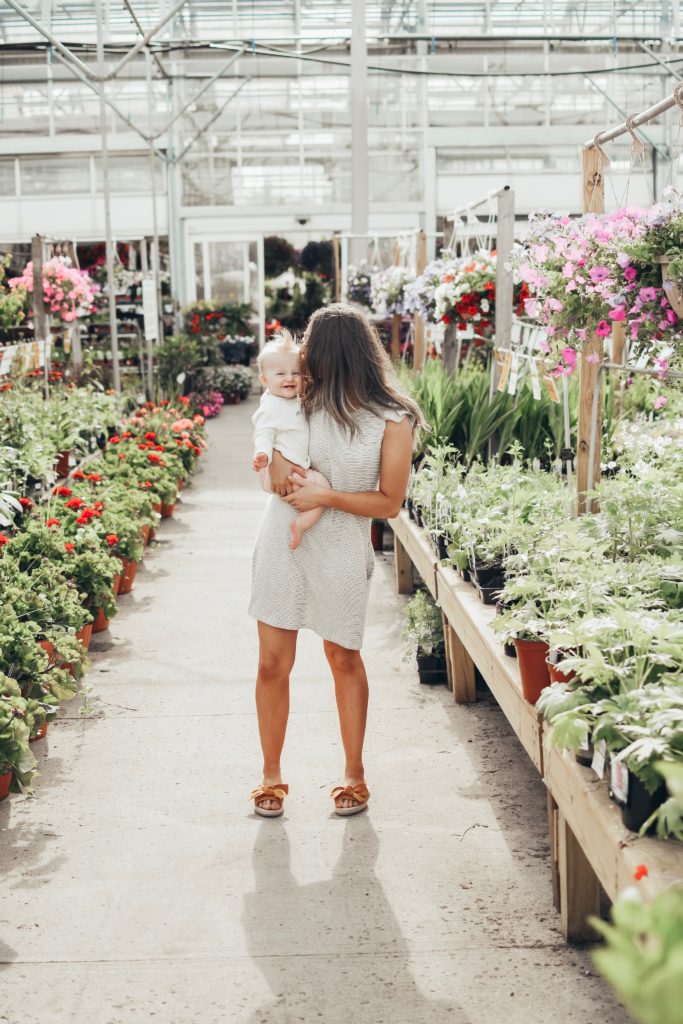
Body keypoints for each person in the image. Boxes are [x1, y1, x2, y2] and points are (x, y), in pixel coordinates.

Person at [248, 304, 425, 818]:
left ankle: (354, 773)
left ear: (333, 353)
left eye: (311, 350)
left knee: (343, 658)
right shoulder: (298, 397)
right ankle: (271, 776)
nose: (302, 359)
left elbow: (389, 503)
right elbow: (269, 447)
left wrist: (328, 497)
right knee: (270, 663)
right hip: (284, 540)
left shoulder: (394, 418)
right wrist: (277, 461)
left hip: (344, 544)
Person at [251, 330, 330, 550]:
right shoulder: (271, 406)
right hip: (282, 472)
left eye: (296, 373)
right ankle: (302, 524)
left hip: (292, 470)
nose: (289, 378)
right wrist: (264, 455)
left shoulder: (292, 400)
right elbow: (264, 432)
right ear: (264, 380)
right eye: (281, 374)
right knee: (323, 487)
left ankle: (302, 520)